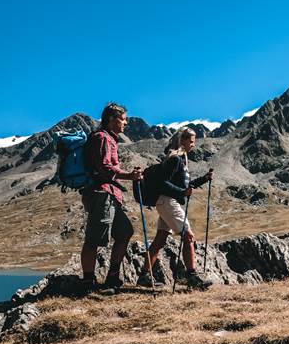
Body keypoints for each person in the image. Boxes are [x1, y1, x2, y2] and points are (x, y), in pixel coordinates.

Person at [137, 127, 213, 289]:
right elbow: (163, 184)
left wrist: (204, 179)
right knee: (188, 235)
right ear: (182, 141)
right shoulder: (175, 159)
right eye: (191, 141)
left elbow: (185, 185)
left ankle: (144, 275)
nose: (193, 145)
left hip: (167, 202)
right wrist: (182, 192)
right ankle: (192, 276)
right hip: (167, 201)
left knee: (160, 239)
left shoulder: (181, 160)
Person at [80, 103, 142, 292]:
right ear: (112, 119)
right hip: (101, 194)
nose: (125, 123)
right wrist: (129, 176)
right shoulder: (103, 138)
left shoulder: (109, 139)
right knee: (93, 240)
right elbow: (105, 168)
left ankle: (112, 278)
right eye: (122, 119)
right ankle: (88, 283)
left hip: (109, 194)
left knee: (124, 232)